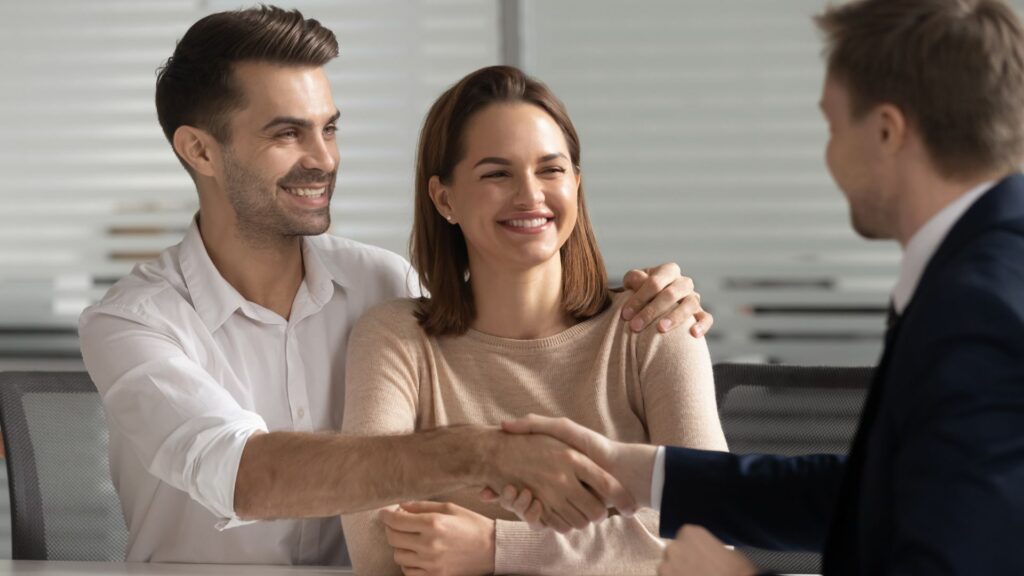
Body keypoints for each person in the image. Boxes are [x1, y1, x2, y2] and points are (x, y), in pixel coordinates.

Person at [77, 5, 713, 565]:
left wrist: (657, 299)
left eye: (329, 128)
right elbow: (244, 476)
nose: (323, 159)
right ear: (201, 151)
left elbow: (514, 271)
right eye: (287, 133)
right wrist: (485, 456)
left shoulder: (383, 284)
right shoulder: (132, 322)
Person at [496, 0, 1024, 574]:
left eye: (831, 126)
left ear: (885, 131)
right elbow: (883, 497)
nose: (828, 155)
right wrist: (641, 475)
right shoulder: (983, 270)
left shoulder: (978, 307)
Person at [338, 66, 728, 576]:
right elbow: (376, 549)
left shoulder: (653, 326)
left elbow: (712, 527)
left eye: (551, 169)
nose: (530, 195)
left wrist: (495, 547)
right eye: (497, 173)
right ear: (444, 198)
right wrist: (619, 542)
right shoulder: (396, 338)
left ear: (577, 183)